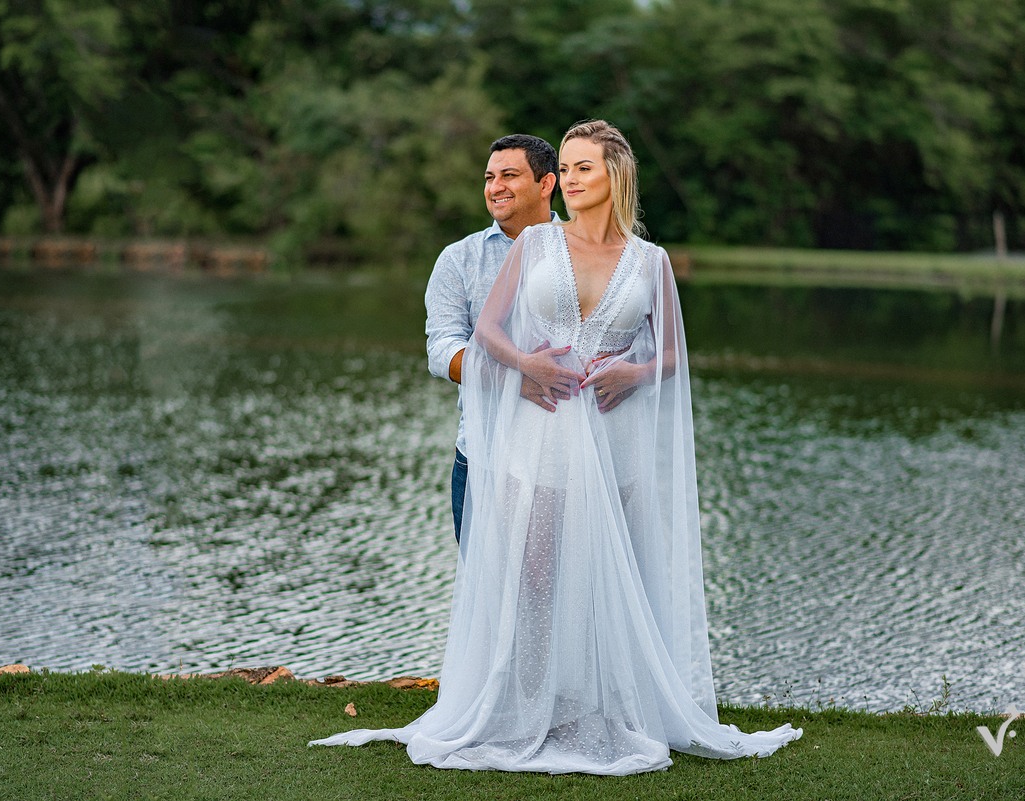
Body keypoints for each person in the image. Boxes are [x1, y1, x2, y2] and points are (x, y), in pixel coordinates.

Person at [311, 121, 802, 774]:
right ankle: (524, 711)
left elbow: (673, 354)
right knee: (531, 579)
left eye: (582, 168)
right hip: (537, 436)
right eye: (565, 168)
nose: (570, 179)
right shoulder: (535, 244)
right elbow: (486, 330)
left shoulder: (651, 261)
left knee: (611, 580)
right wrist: (524, 365)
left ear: (615, 175)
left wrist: (634, 372)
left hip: (614, 441)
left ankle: (610, 711)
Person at [424, 134, 567, 543]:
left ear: (546, 183)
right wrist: (515, 379)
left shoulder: (582, 250)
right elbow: (442, 350)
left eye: (509, 175)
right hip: (484, 457)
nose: (495, 187)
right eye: (490, 177)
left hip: (569, 460)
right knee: (483, 584)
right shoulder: (460, 259)